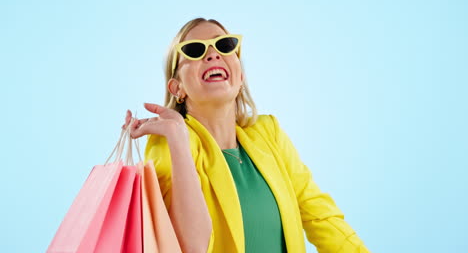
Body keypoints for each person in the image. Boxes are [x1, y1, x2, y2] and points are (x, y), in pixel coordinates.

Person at [124, 18, 369, 253]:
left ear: (240, 76)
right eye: (195, 49)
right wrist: (177, 137)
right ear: (177, 88)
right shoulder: (170, 142)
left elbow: (321, 217)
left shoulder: (269, 133)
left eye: (224, 45)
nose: (212, 54)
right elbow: (190, 248)